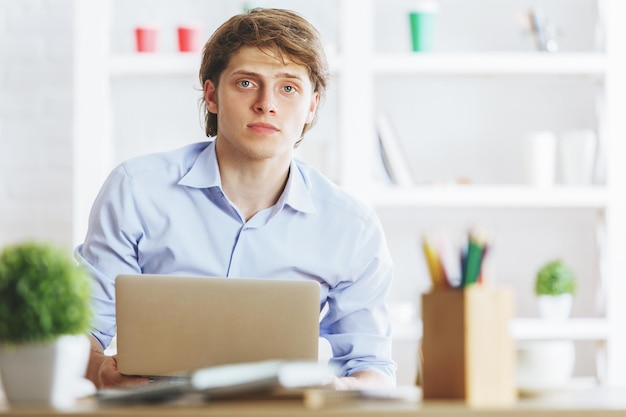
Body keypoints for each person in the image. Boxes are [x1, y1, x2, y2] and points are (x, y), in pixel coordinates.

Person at [76, 7, 396, 391]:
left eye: (289, 87)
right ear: (211, 95)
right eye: (246, 83)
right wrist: (98, 370)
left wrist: (339, 389)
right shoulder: (135, 191)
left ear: (311, 107)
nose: (267, 104)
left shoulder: (351, 226)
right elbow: (80, 331)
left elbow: (372, 366)